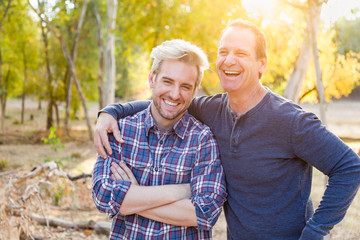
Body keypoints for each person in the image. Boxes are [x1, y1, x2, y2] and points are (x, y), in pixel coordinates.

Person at [94, 19, 360, 240]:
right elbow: (168, 101)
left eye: (241, 53)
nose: (229, 60)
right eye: (223, 52)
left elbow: (349, 167)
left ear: (262, 64)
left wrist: (315, 232)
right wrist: (112, 111)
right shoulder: (211, 110)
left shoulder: (291, 121)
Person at [92, 39, 227, 240]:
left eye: (185, 86)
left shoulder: (203, 139)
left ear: (195, 90)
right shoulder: (121, 131)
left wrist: (133, 196)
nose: (175, 94)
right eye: (168, 81)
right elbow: (103, 196)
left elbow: (205, 213)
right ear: (152, 79)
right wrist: (180, 191)